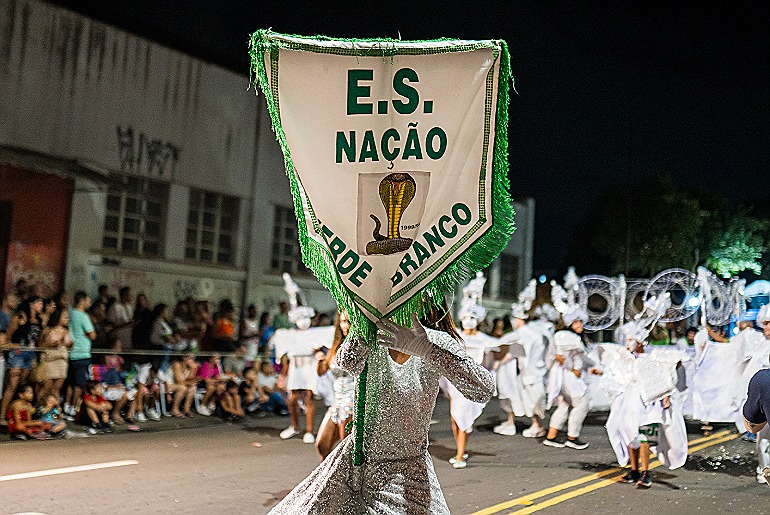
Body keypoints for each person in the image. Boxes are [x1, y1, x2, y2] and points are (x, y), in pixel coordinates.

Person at [267, 299, 495, 514]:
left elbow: (483, 390)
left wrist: (428, 349)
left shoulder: (436, 341)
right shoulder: (371, 338)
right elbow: (346, 361)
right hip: (358, 466)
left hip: (409, 472)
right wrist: (364, 325)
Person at [603, 321, 688, 489]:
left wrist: (666, 395)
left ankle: (645, 472)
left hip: (647, 406)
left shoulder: (651, 360)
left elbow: (670, 368)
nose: (627, 344)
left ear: (639, 342)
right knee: (630, 436)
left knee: (644, 437)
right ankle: (634, 470)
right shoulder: (626, 360)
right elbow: (616, 374)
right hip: (629, 404)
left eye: (631, 340)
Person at [543, 306, 600, 449]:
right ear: (569, 324)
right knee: (582, 403)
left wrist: (593, 367)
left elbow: (574, 357)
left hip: (560, 376)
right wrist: (575, 368)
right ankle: (572, 437)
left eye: (580, 322)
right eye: (575, 322)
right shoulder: (567, 337)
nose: (579, 325)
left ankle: (551, 436)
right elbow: (567, 357)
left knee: (564, 405)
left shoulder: (568, 337)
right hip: (567, 376)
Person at [315, 311, 355, 460]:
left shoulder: (360, 346)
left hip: (353, 400)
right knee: (322, 445)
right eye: (343, 321)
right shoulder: (336, 345)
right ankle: (327, 478)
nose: (345, 325)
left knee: (346, 449)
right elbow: (321, 371)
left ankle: (346, 481)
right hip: (337, 401)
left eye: (349, 322)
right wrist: (320, 359)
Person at [1, 295, 44, 425]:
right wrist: (13, 345)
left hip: (30, 353)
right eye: (39, 303)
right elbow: (8, 335)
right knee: (12, 385)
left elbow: (38, 339)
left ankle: (15, 413)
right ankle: (2, 415)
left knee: (22, 385)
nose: (41, 306)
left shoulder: (39, 319)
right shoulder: (20, 316)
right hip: (18, 352)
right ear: (31, 304)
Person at [64, 291, 95, 419]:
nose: (89, 303)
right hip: (82, 353)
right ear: (82, 301)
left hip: (72, 352)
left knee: (70, 382)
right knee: (79, 384)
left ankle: (66, 405)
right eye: (88, 300)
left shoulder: (71, 314)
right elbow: (92, 334)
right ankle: (72, 409)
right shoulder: (83, 316)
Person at [37, 307, 73, 403]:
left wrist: (70, 344)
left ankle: (53, 412)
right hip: (49, 360)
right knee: (46, 387)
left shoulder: (67, 331)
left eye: (68, 317)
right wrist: (50, 344)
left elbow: (70, 346)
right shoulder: (48, 330)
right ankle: (39, 408)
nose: (67, 319)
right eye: (65, 317)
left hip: (61, 361)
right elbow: (40, 346)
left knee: (56, 389)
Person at [168, 353, 198, 418]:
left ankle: (186, 409)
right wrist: (191, 382)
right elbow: (179, 381)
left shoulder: (189, 367)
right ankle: (174, 409)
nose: (192, 360)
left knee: (193, 388)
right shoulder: (177, 365)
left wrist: (193, 369)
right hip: (167, 385)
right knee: (182, 388)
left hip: (179, 384)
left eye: (193, 358)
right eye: (191, 358)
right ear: (184, 358)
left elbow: (190, 379)